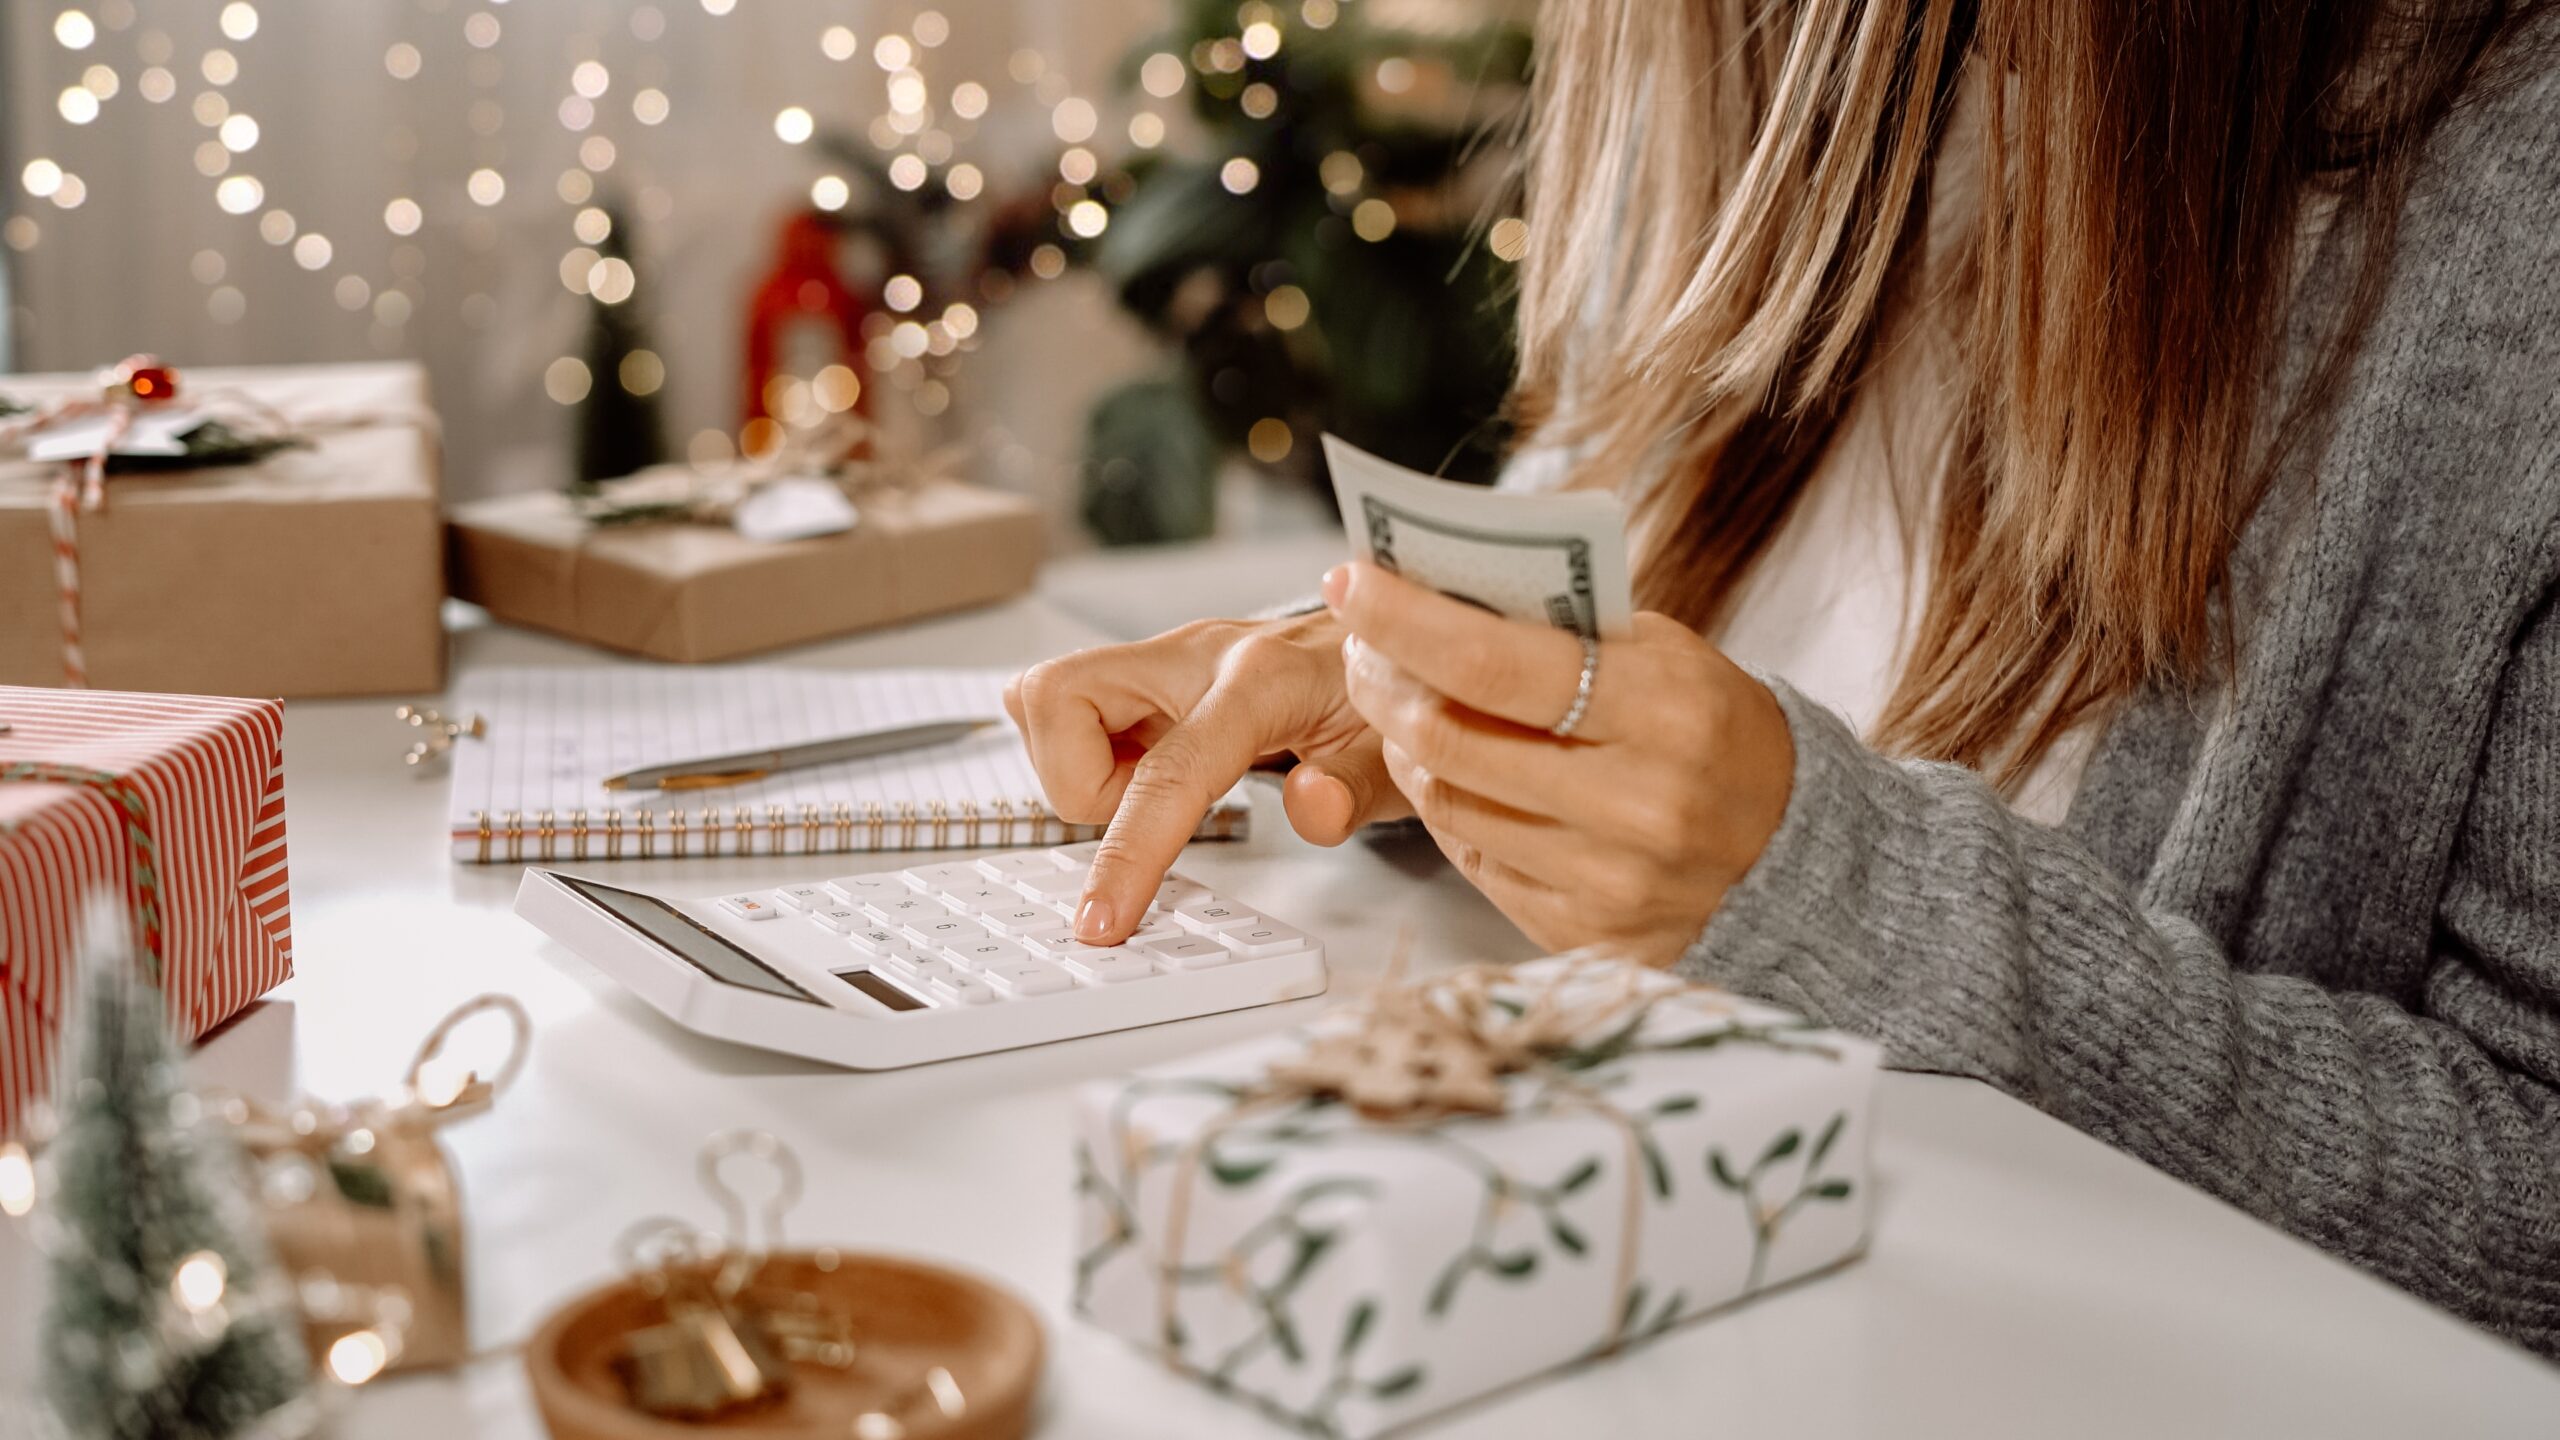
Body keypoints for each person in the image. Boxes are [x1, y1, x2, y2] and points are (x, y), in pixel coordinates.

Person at [1007, 0, 2560, 1357]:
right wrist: (1424, 693)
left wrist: (1833, 889)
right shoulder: (1740, 67)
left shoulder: (2510, 207)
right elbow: (1631, 603)